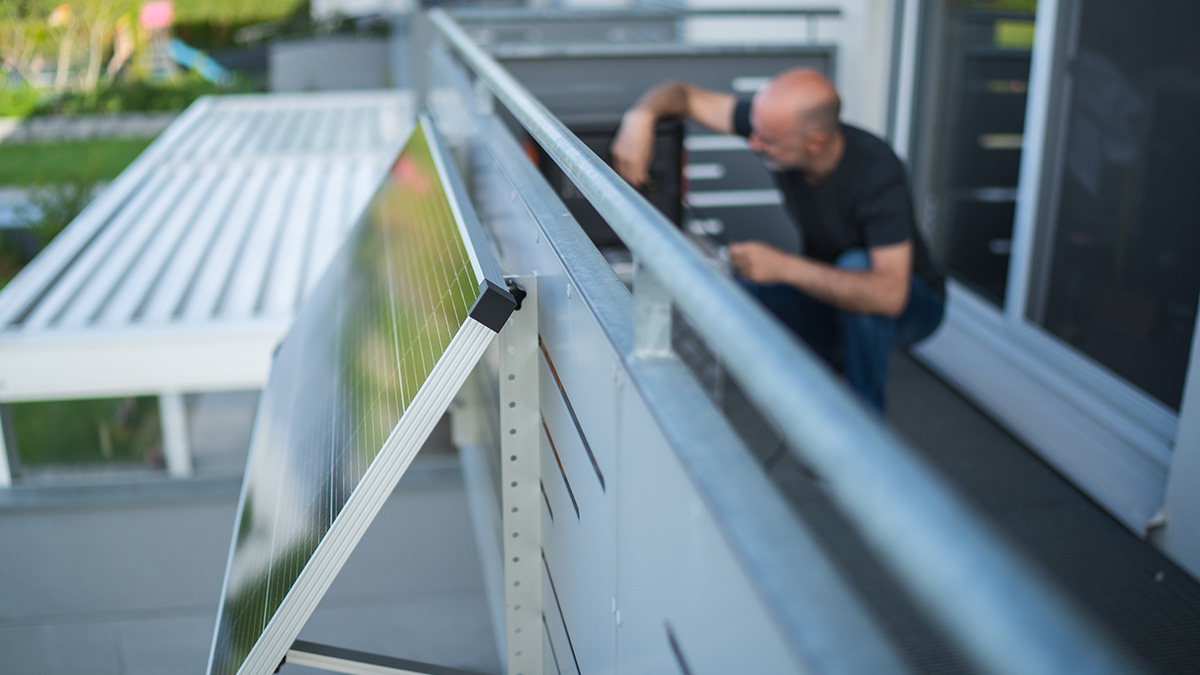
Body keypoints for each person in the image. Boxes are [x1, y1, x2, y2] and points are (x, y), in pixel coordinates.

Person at [612, 68, 945, 411]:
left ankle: (861, 430)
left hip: (912, 304)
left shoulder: (877, 172)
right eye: (754, 131)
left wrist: (784, 267)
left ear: (815, 143)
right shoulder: (775, 126)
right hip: (828, 290)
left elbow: (889, 296)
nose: (754, 144)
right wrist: (640, 117)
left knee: (856, 272)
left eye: (767, 140)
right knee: (732, 298)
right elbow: (682, 94)